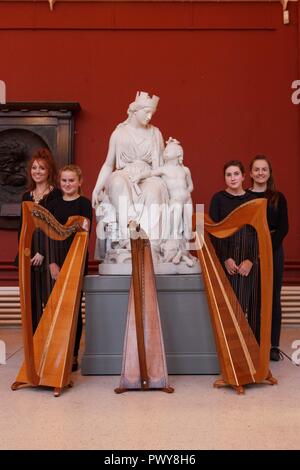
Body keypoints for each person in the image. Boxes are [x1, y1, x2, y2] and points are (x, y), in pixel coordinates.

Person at [92, 91, 169, 260]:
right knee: (118, 183)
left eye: (152, 114)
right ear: (135, 110)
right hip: (124, 173)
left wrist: (146, 175)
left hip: (148, 175)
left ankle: (151, 245)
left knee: (155, 189)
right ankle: (129, 239)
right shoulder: (119, 133)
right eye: (146, 112)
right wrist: (97, 188)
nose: (149, 117)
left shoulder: (155, 133)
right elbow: (108, 164)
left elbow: (160, 168)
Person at [48, 165, 93, 372]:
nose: (67, 184)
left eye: (71, 180)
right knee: (55, 307)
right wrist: (52, 263)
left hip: (77, 259)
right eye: (64, 181)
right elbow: (49, 236)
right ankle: (55, 351)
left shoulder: (84, 204)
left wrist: (73, 263)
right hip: (56, 261)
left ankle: (73, 354)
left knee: (74, 310)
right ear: (60, 182)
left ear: (79, 182)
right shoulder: (53, 204)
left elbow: (85, 233)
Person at [209, 160, 258, 331]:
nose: (233, 178)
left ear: (244, 176)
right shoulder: (218, 199)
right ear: (224, 178)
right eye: (228, 175)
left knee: (244, 307)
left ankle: (246, 347)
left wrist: (250, 260)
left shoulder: (253, 200)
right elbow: (214, 232)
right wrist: (225, 259)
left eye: (236, 174)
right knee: (227, 308)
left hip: (248, 260)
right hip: (227, 260)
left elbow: (258, 233)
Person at [248, 155, 289, 361]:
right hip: (251, 252)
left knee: (273, 297)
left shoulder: (278, 197)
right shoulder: (244, 197)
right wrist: (255, 250)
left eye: (264, 169)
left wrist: (266, 248)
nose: (260, 173)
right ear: (251, 173)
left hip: (274, 250)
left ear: (269, 173)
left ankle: (273, 345)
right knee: (254, 298)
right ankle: (255, 342)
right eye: (257, 169)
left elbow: (284, 228)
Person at [15, 147, 61, 332]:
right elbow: (23, 228)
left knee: (49, 299)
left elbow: (53, 227)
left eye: (41, 168)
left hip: (48, 255)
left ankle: (50, 338)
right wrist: (25, 251)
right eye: (34, 168)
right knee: (31, 302)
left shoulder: (56, 195)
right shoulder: (26, 196)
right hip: (28, 253)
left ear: (49, 171)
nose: (37, 171)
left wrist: (43, 251)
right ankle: (35, 341)